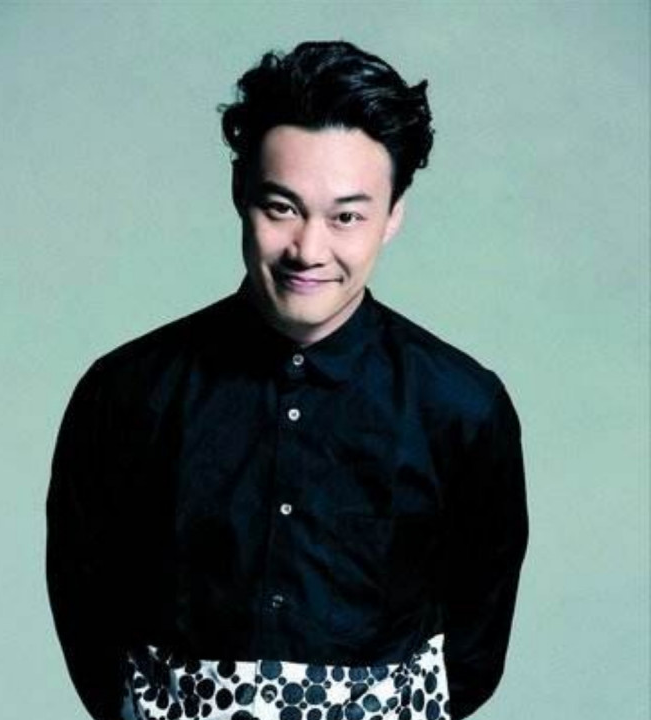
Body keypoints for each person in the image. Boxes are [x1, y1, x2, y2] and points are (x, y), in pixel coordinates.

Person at [47, 40, 528, 720]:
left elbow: (477, 634)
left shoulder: (461, 405)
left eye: (347, 216)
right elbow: (85, 600)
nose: (308, 249)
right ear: (240, 192)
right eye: (281, 207)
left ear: (393, 215)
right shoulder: (127, 393)